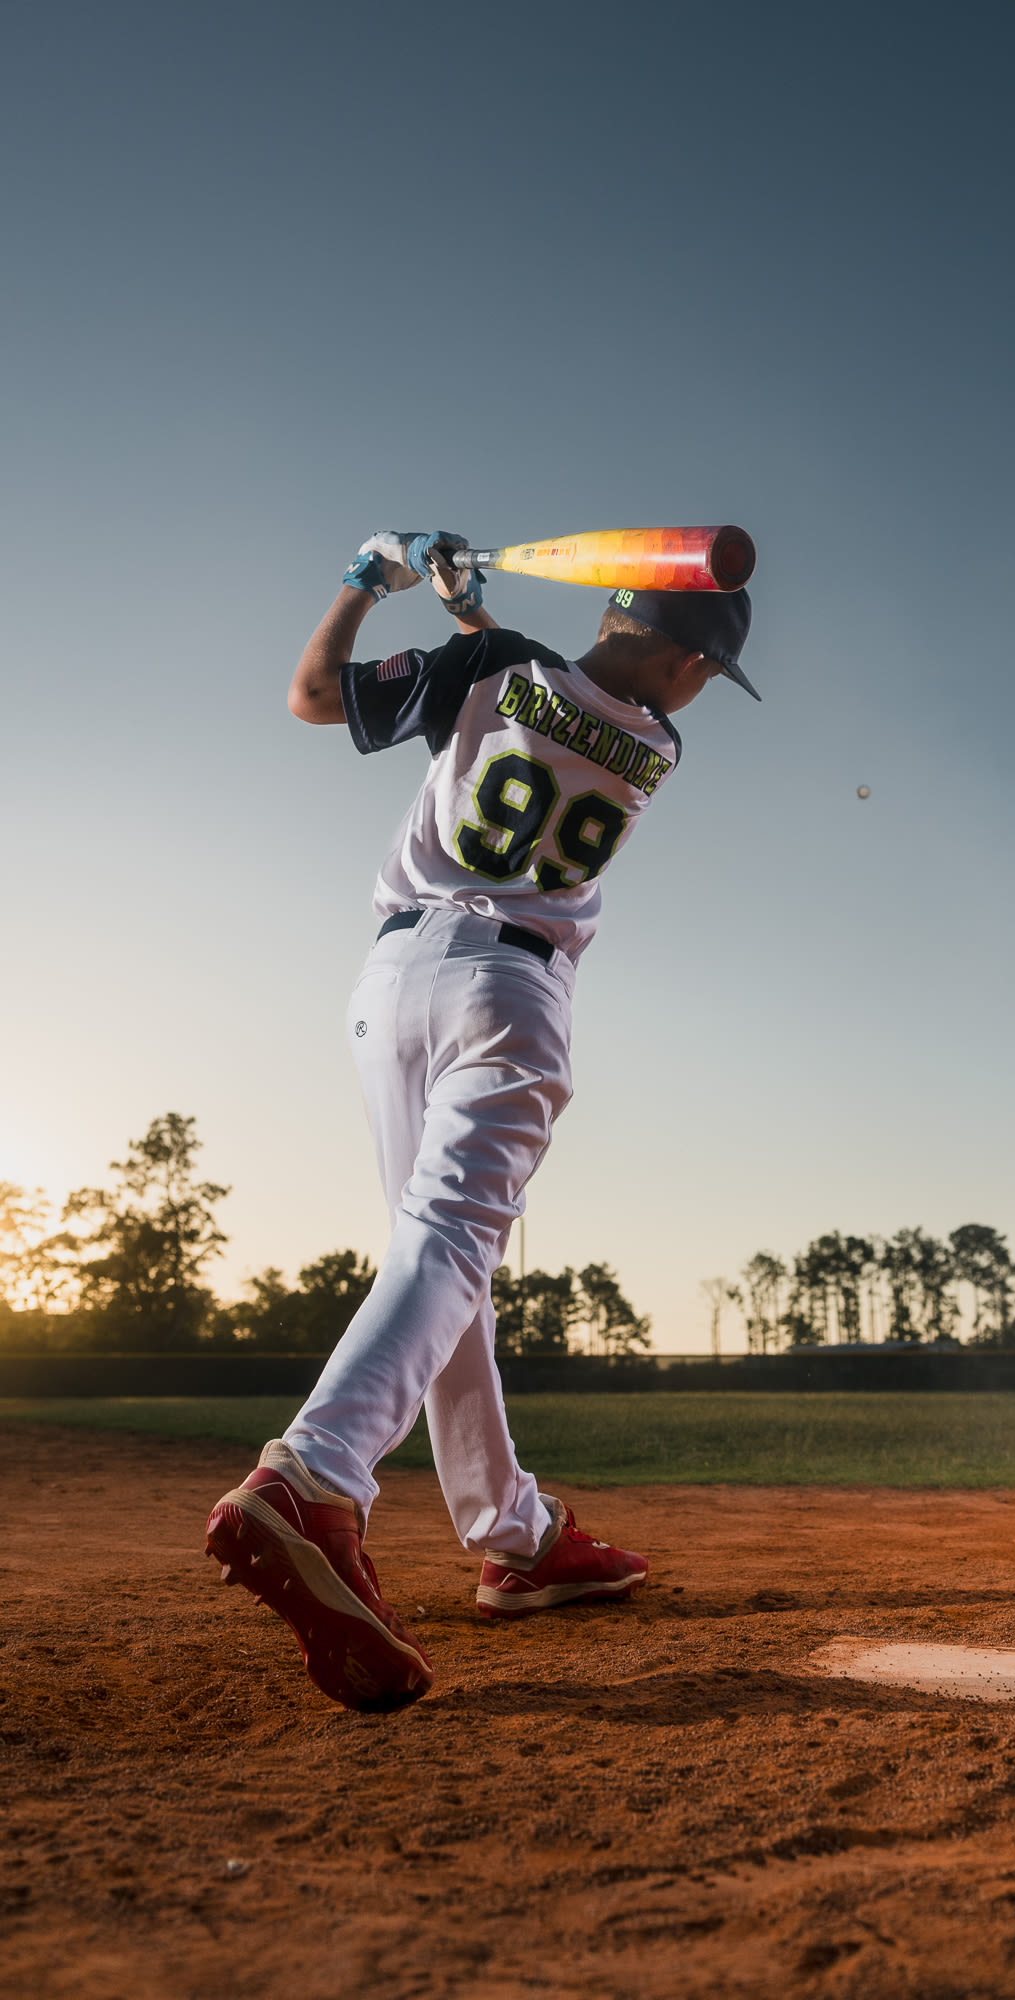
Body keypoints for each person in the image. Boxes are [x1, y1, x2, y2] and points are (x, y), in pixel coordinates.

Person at [204, 529, 758, 1712]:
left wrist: (370, 581)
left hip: (386, 988)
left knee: (443, 1260)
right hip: (509, 988)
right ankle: (313, 1474)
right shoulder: (654, 741)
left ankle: (515, 1531)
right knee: (453, 1247)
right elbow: (536, 687)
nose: (698, 685)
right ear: (666, 651)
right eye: (700, 662)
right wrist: (472, 613)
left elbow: (317, 696)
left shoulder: (502, 665)